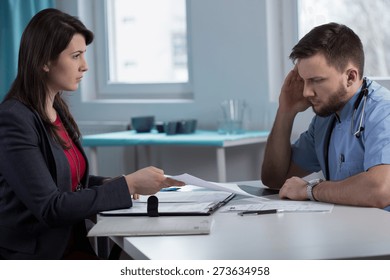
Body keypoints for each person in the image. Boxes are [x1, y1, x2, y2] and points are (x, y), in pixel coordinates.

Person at [0, 8, 184, 259]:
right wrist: (127, 184)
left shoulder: (57, 110)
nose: (85, 66)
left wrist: (120, 183)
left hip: (72, 244)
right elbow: (51, 207)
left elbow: (69, 182)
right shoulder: (14, 120)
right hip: (38, 256)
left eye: (84, 55)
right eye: (75, 56)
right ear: (44, 61)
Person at [261, 22, 390, 209]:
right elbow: (275, 179)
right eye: (304, 81)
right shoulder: (325, 120)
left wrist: (310, 190)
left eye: (316, 80)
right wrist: (285, 112)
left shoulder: (383, 112)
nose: (306, 92)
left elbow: (381, 189)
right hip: (348, 230)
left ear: (350, 77)